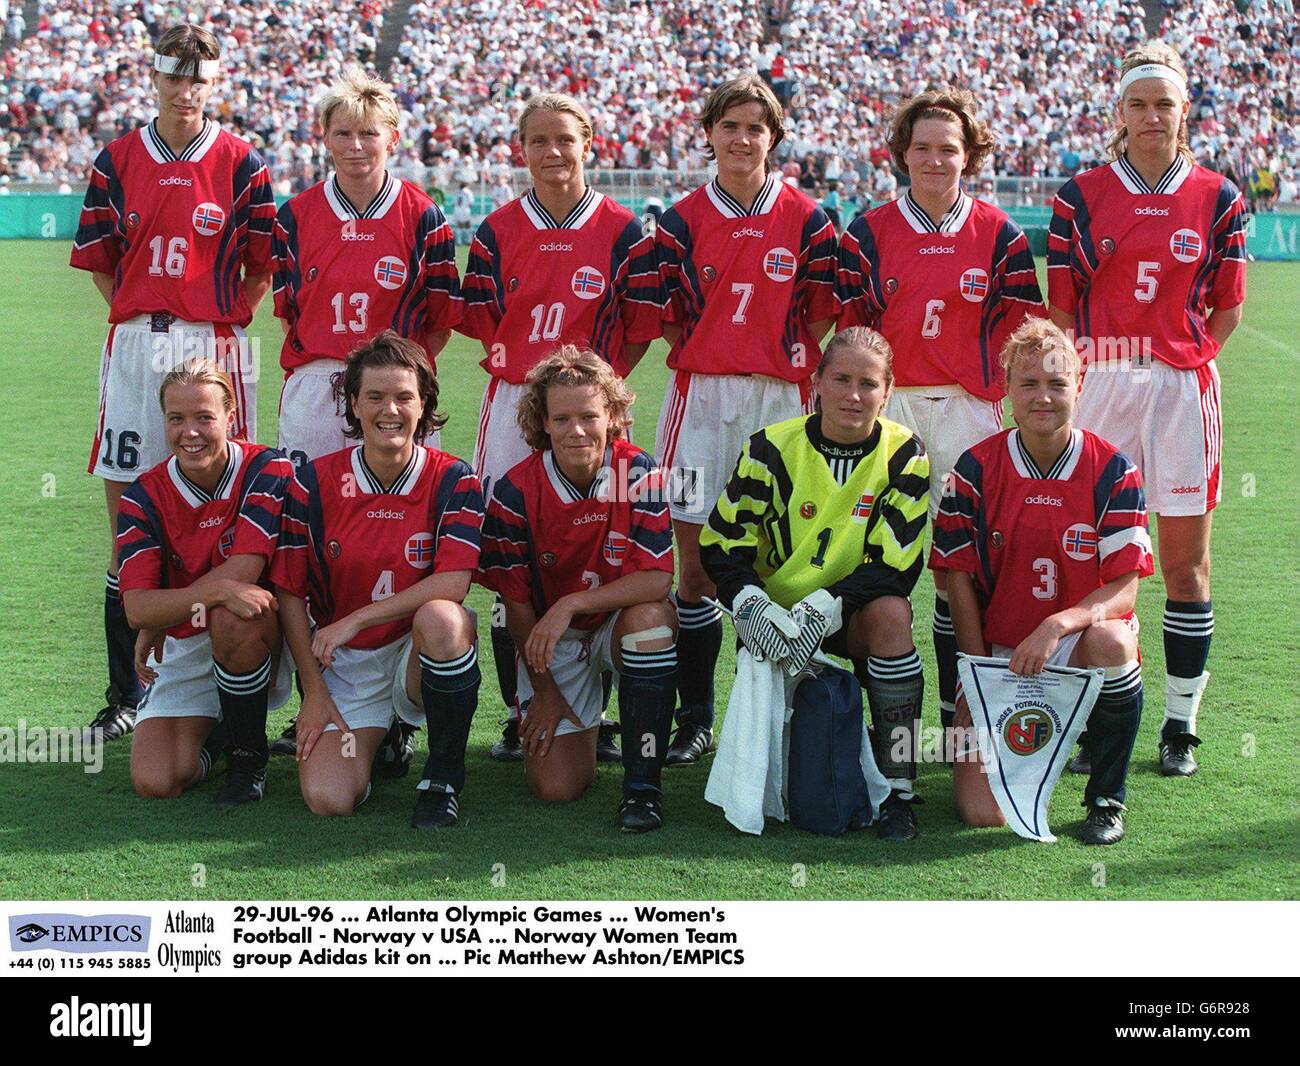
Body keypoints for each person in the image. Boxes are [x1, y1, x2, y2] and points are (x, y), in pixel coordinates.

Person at [71, 24, 275, 742]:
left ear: (213, 85)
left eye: (199, 81)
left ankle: (226, 695)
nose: (186, 93)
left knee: (224, 509)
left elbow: (262, 262)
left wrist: (220, 318)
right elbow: (101, 260)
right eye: (175, 79)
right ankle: (124, 694)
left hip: (214, 346)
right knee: (127, 522)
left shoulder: (242, 162)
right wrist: (139, 321)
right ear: (154, 79)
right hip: (134, 347)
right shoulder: (117, 158)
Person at [1047, 42, 1246, 777]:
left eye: (1165, 103)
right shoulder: (1081, 193)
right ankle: (1089, 717)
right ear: (1119, 113)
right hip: (1099, 383)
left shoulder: (1219, 195)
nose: (1152, 115)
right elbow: (1061, 311)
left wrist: (1182, 358)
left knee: (1186, 566)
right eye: (1139, 103)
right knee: (1090, 556)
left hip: (1180, 391)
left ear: (1183, 110)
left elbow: (1225, 310)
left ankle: (1179, 726)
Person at [836, 87, 1044, 748]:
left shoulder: (1001, 235)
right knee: (876, 557)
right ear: (902, 154)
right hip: (889, 408)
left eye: (947, 149)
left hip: (969, 411)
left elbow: (1023, 335)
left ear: (969, 156)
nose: (934, 159)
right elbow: (850, 337)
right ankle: (883, 723)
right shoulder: (868, 231)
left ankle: (964, 716)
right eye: (921, 148)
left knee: (963, 566)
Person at [459, 93, 661, 764]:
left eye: (565, 140)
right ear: (521, 149)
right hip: (518, 401)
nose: (553, 152)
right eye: (539, 140)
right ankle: (524, 711)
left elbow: (638, 326)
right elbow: (486, 321)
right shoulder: (494, 231)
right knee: (507, 569)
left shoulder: (626, 231)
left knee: (608, 545)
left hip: (591, 407)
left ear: (588, 145)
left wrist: (592, 391)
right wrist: (536, 385)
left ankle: (604, 708)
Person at [654, 75, 837, 767]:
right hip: (701, 398)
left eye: (756, 127)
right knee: (696, 567)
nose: (742, 138)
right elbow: (669, 317)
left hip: (780, 402)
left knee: (775, 565)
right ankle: (694, 719)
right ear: (710, 132)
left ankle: (771, 717)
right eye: (730, 124)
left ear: (774, 138)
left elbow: (820, 315)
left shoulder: (809, 218)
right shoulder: (679, 220)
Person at [700, 328, 930, 840]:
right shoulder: (770, 448)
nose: (854, 395)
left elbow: (897, 566)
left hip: (848, 614)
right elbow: (720, 546)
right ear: (817, 382)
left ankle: (900, 791)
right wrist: (750, 602)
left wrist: (830, 605)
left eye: (868, 384)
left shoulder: (904, 454)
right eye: (841, 379)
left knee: (894, 615)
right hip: (774, 620)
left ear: (887, 392)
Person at [931, 319, 1155, 844]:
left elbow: (1125, 589)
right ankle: (1035, 748)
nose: (1043, 398)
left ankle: (1105, 796)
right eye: (1028, 384)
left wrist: (1058, 624)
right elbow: (956, 583)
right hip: (1001, 654)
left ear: (1079, 387)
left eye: (1057, 384)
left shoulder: (1113, 470)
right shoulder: (975, 468)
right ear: (1006, 388)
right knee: (984, 815)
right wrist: (978, 676)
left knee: (1114, 638)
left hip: (1075, 647)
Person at [271, 333, 484, 827]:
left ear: (424, 403)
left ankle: (443, 777)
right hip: (349, 664)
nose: (391, 409)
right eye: (375, 396)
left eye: (404, 397)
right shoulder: (314, 481)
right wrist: (314, 690)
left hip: (416, 650)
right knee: (328, 798)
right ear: (353, 404)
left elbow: (452, 583)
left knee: (443, 619)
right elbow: (288, 591)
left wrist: (355, 619)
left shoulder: (456, 479)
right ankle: (384, 735)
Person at [477, 347, 676, 832]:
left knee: (650, 625)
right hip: (552, 638)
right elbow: (516, 602)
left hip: (610, 621)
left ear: (612, 416)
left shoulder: (639, 472)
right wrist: (544, 692)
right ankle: (581, 717)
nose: (577, 430)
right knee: (556, 788)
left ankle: (643, 789)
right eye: (562, 418)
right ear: (542, 422)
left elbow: (656, 578)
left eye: (590, 416)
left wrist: (572, 602)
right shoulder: (515, 490)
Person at [118, 358, 294, 807]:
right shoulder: (143, 495)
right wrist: (174, 609)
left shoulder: (267, 469)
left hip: (268, 631)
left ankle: (248, 759)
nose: (189, 432)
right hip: (190, 639)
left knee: (235, 610)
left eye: (204, 417)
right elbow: (137, 609)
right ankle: (221, 732)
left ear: (230, 418)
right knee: (156, 781)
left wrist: (169, 608)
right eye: (176, 419)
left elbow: (245, 574)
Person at [270, 66, 460, 471]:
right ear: (325, 139)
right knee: (308, 511)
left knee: (403, 511)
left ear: (392, 138)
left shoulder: (424, 216)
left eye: (369, 133)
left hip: (398, 387)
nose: (356, 145)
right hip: (317, 387)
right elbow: (290, 316)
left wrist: (393, 370)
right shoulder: (295, 217)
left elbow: (440, 324)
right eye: (343, 133)